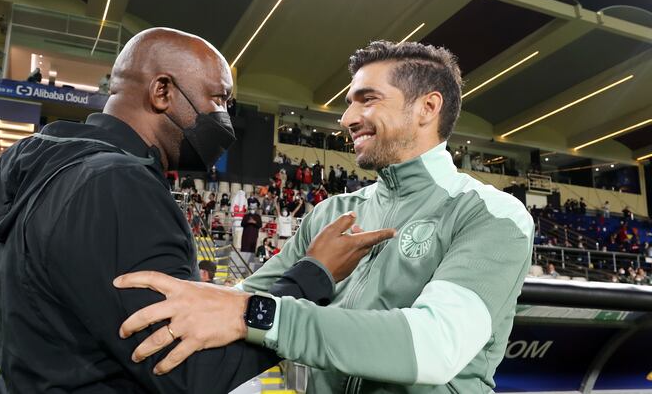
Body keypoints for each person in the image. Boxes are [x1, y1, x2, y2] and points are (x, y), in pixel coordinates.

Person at [0, 28, 390, 393]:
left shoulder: (58, 171)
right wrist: (311, 277)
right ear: (162, 91)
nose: (225, 119)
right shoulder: (118, 185)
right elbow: (192, 373)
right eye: (218, 99)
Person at [116, 40, 534, 393]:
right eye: (349, 103)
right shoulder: (332, 213)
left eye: (367, 99)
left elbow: (435, 346)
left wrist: (257, 315)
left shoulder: (491, 214)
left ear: (427, 107)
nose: (347, 119)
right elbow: (249, 293)